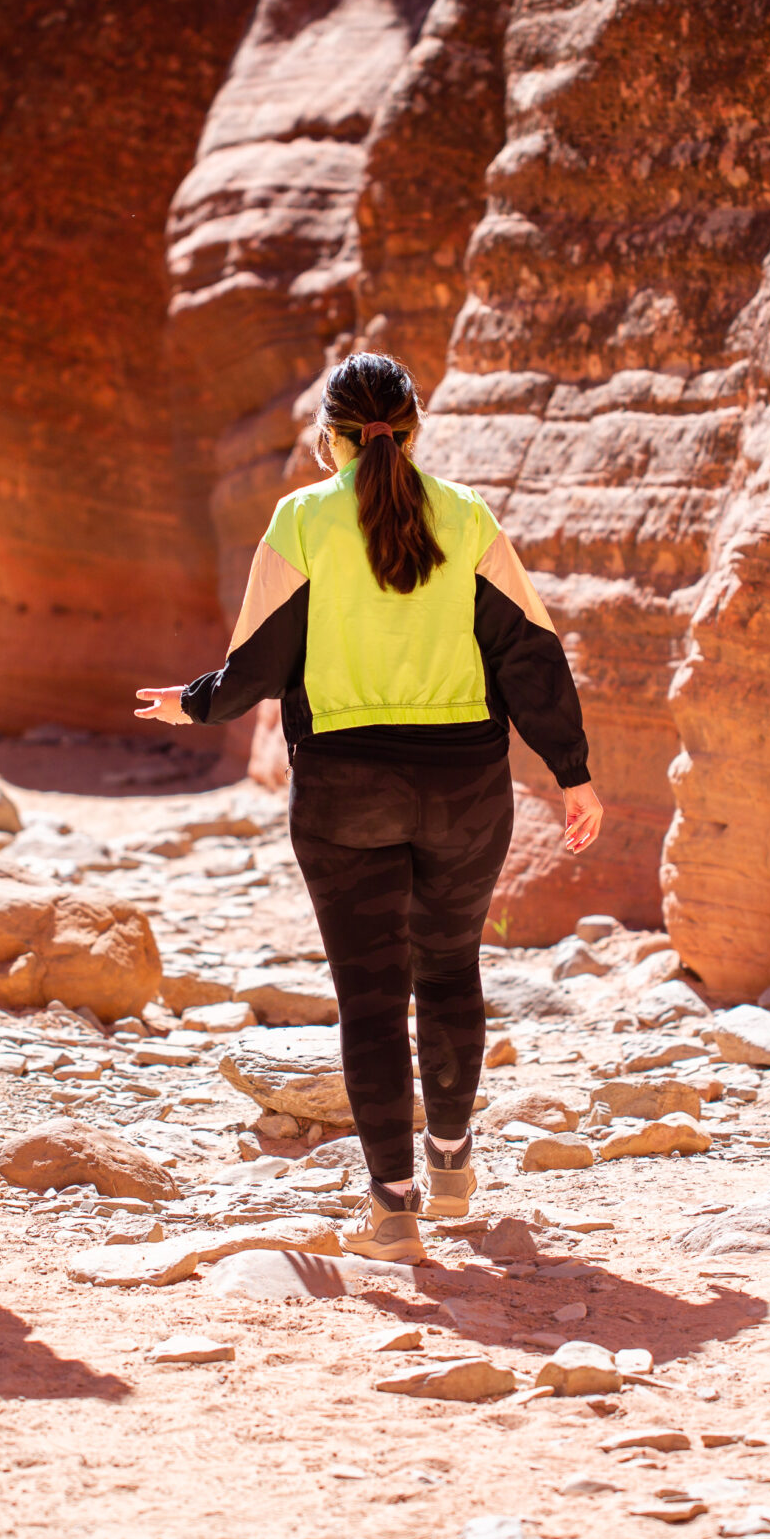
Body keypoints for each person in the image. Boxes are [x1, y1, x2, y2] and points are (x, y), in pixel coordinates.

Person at [137, 352, 601, 1262]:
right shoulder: (466, 515)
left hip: (345, 786)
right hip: (465, 781)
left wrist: (192, 702)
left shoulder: (301, 518)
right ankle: (456, 1164)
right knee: (451, 967)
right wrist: (571, 772)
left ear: (329, 441)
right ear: (415, 430)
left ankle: (395, 1210)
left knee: (372, 997)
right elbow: (529, 654)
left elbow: (260, 665)